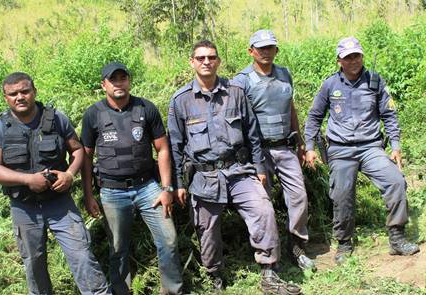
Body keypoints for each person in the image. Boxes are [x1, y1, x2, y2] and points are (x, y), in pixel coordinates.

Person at [167, 40, 301, 295]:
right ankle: (214, 275)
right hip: (204, 176)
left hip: (239, 171)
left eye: (211, 57)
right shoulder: (181, 101)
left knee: (263, 210)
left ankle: (269, 272)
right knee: (206, 229)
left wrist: (260, 168)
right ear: (192, 62)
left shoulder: (236, 92)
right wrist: (179, 185)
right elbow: (175, 145)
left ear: (218, 61)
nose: (206, 62)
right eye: (201, 58)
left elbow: (252, 132)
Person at [0, 72, 111, 295]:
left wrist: (70, 174)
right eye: (13, 94)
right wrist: (27, 179)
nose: (20, 97)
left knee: (82, 256)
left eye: (25, 91)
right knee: (34, 265)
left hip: (60, 203)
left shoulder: (56, 119)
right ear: (6, 97)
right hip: (24, 208)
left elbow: (78, 150)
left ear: (35, 92)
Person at [304, 37, 420, 265]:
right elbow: (314, 117)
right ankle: (345, 243)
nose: (353, 60)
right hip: (340, 149)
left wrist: (395, 145)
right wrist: (309, 147)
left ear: (362, 56)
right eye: (348, 57)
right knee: (342, 194)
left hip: (370, 148)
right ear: (339, 61)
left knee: (395, 181)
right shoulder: (330, 85)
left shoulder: (375, 82)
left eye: (356, 55)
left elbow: (389, 115)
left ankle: (396, 238)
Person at [80, 62, 183, 295]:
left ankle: (172, 290)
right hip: (112, 191)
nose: (119, 83)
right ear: (103, 84)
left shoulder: (146, 108)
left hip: (148, 187)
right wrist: (88, 195)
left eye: (122, 78)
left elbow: (163, 149)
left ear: (129, 81)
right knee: (118, 248)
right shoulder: (93, 114)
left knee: (168, 240)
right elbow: (86, 158)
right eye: (113, 79)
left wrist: (166, 188)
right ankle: (120, 291)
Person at [233, 29, 315, 271]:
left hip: (285, 148)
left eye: (270, 48)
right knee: (263, 205)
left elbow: (291, 109)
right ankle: (270, 254)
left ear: (276, 50)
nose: (266, 52)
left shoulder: (284, 75)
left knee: (299, 197)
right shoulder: (242, 81)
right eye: (261, 48)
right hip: (259, 153)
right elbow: (238, 120)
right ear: (251, 51)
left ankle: (297, 245)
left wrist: (300, 142)